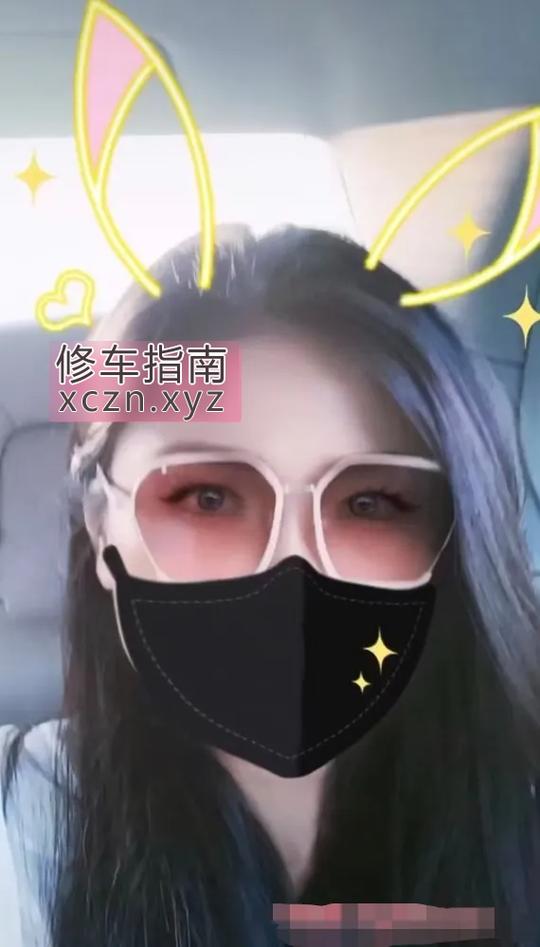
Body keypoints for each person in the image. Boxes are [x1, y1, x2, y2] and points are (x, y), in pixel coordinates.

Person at [1, 225, 540, 947]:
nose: (291, 571)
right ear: (102, 529)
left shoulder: (516, 799)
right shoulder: (21, 834)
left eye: (369, 504)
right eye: (208, 498)